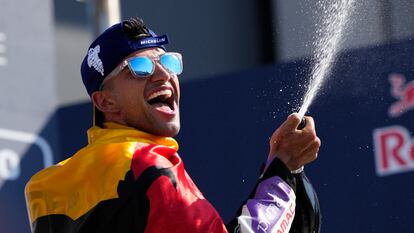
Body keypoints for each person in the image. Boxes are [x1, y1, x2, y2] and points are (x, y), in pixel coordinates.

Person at [25, 17, 321, 233]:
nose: (163, 75)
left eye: (169, 62)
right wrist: (284, 168)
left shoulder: (48, 187)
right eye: (139, 68)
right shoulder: (143, 164)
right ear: (105, 102)